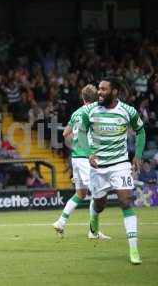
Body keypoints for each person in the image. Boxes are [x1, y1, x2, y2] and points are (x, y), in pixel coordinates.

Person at [80, 77, 145, 265]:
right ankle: (94, 218)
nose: (99, 92)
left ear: (115, 91)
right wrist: (88, 153)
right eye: (98, 89)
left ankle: (134, 249)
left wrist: (138, 155)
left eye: (103, 89)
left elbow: (140, 131)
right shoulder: (89, 111)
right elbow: (82, 132)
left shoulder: (128, 111)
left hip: (120, 164)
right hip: (98, 167)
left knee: (125, 201)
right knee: (100, 204)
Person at [53, 85, 110, 239]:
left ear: (83, 98)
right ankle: (93, 231)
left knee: (81, 193)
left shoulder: (77, 112)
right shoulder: (94, 111)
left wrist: (77, 142)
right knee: (97, 193)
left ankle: (61, 222)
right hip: (86, 158)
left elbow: (65, 133)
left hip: (76, 158)